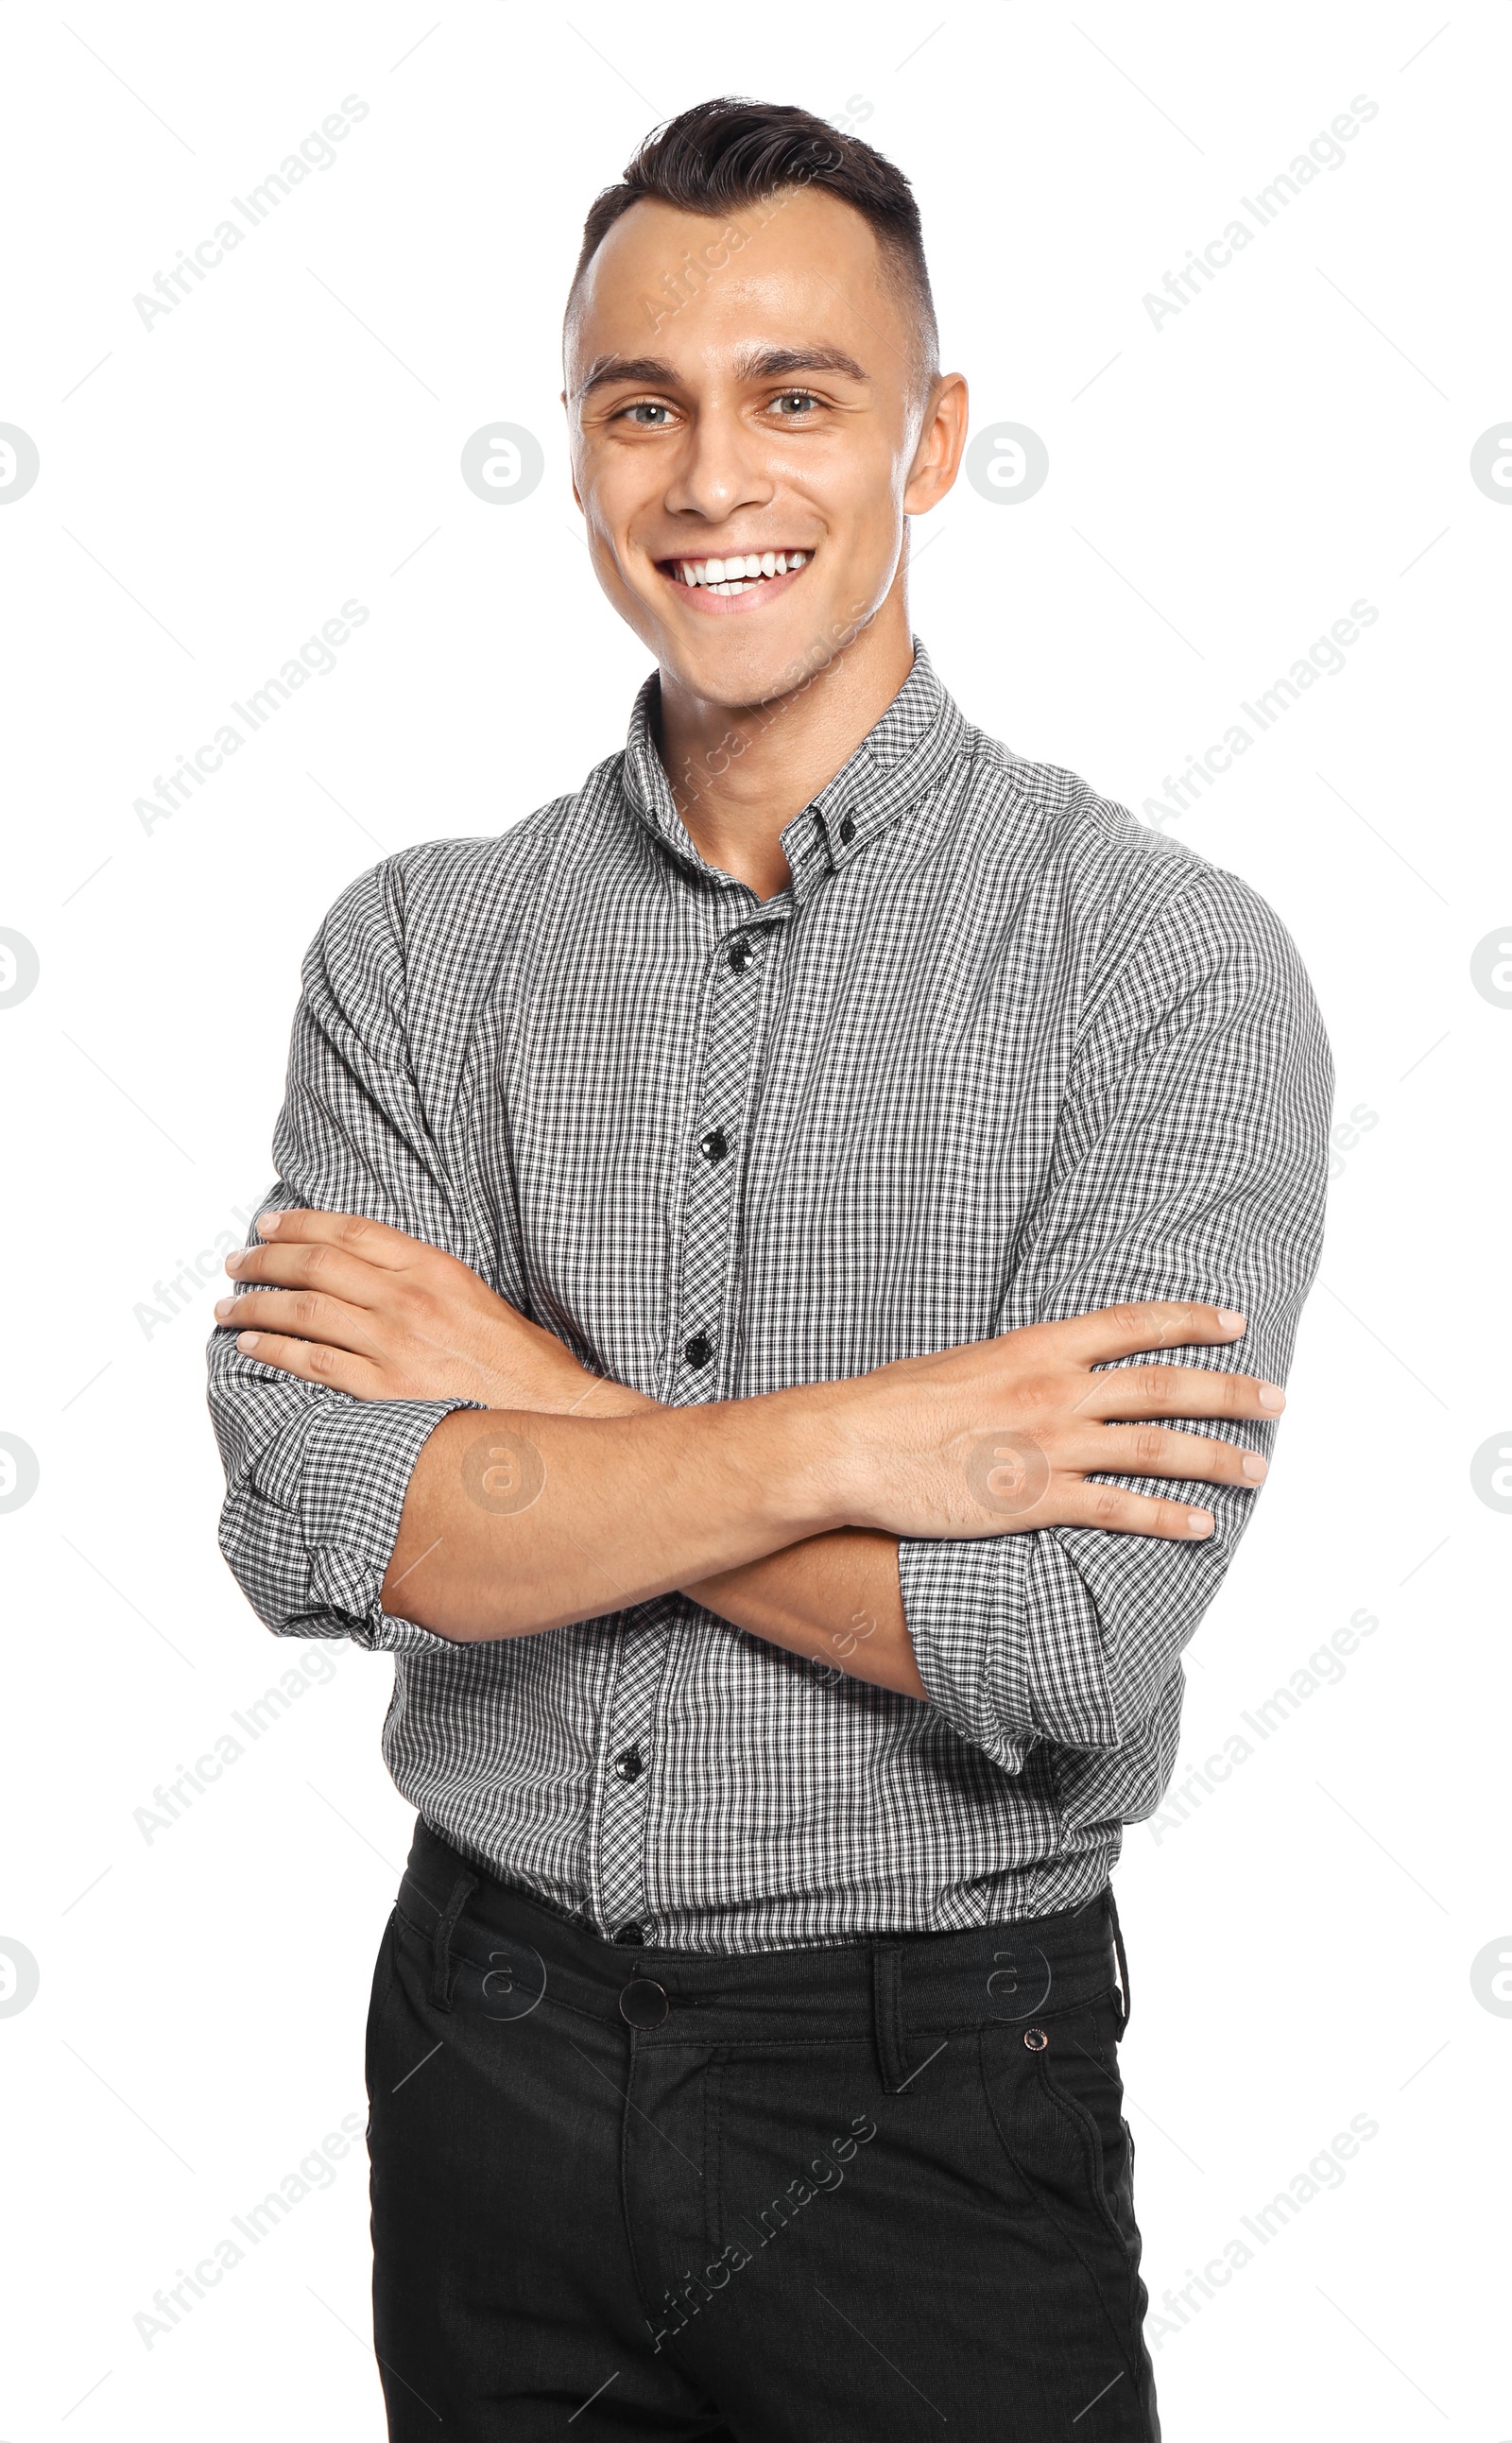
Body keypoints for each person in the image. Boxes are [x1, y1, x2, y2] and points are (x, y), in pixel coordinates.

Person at [208, 95, 1331, 2441]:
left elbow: (1051, 1643)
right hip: (482, 2051)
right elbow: (327, 1525)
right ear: (585, 452)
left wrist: (528, 1395)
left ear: (925, 440)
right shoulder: (419, 951)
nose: (713, 480)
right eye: (647, 407)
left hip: (928, 2092)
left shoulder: (1158, 973)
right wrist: (867, 1444)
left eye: (793, 397)